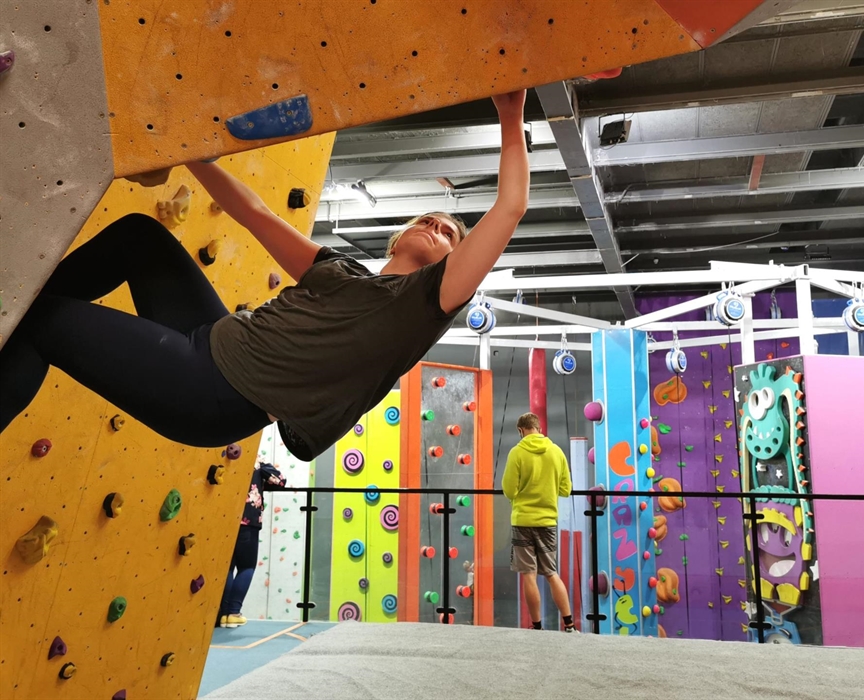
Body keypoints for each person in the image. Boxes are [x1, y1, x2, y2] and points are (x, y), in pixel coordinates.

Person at [0, 91, 529, 461]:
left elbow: (509, 207)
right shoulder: (340, 272)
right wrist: (188, 153)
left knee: (46, 323)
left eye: (449, 235)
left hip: (214, 393)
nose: (437, 224)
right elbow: (255, 214)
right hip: (210, 338)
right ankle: (12, 318)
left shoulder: (423, 305)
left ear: (453, 267)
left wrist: (510, 117)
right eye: (429, 220)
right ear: (398, 237)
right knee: (138, 236)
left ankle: (19, 321)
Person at [502, 412, 576, 632]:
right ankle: (570, 624)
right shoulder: (556, 452)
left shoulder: (517, 453)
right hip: (548, 522)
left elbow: (509, 491)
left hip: (523, 521)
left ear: (521, 430)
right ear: (539, 428)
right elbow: (566, 489)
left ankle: (537, 626)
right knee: (552, 573)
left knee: (529, 574)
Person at [218, 461, 285, 628]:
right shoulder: (256, 463)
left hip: (222, 519)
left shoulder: (220, 458)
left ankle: (222, 613)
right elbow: (280, 481)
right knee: (246, 566)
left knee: (226, 567)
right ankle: (233, 613)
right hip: (248, 521)